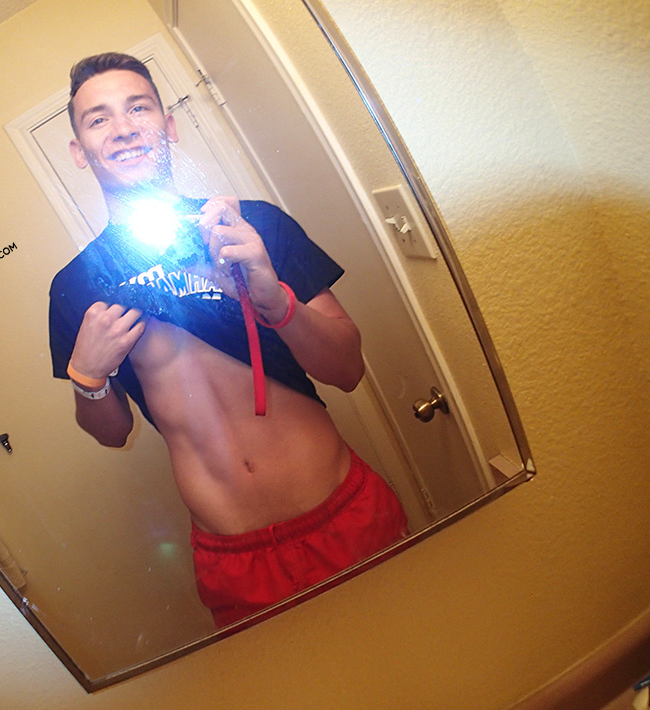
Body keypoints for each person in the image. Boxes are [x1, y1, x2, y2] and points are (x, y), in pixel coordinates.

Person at [48, 52, 407, 627]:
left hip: (344, 512)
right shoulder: (76, 286)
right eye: (98, 118)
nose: (123, 128)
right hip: (234, 559)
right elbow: (113, 434)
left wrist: (276, 300)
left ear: (168, 125)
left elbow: (348, 370)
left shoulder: (251, 226)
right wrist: (87, 378)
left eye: (138, 108)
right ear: (78, 151)